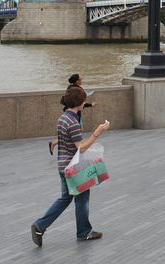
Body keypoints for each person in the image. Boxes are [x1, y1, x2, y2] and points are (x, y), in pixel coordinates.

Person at [31, 86, 109, 245]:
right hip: (74, 169)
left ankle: (40, 226)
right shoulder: (73, 122)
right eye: (84, 100)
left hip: (63, 166)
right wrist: (97, 133)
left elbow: (65, 140)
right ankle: (84, 232)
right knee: (82, 199)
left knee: (65, 198)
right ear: (80, 103)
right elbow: (81, 147)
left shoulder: (63, 118)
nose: (85, 102)